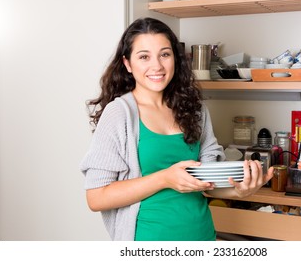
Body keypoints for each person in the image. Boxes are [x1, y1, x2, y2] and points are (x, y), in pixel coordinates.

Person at [80, 17, 273, 241]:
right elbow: (96, 197)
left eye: (165, 54)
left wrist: (239, 190)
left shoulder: (195, 109)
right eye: (144, 57)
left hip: (201, 236)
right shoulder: (120, 114)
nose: (157, 66)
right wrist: (164, 178)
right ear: (128, 64)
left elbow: (207, 184)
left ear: (175, 58)